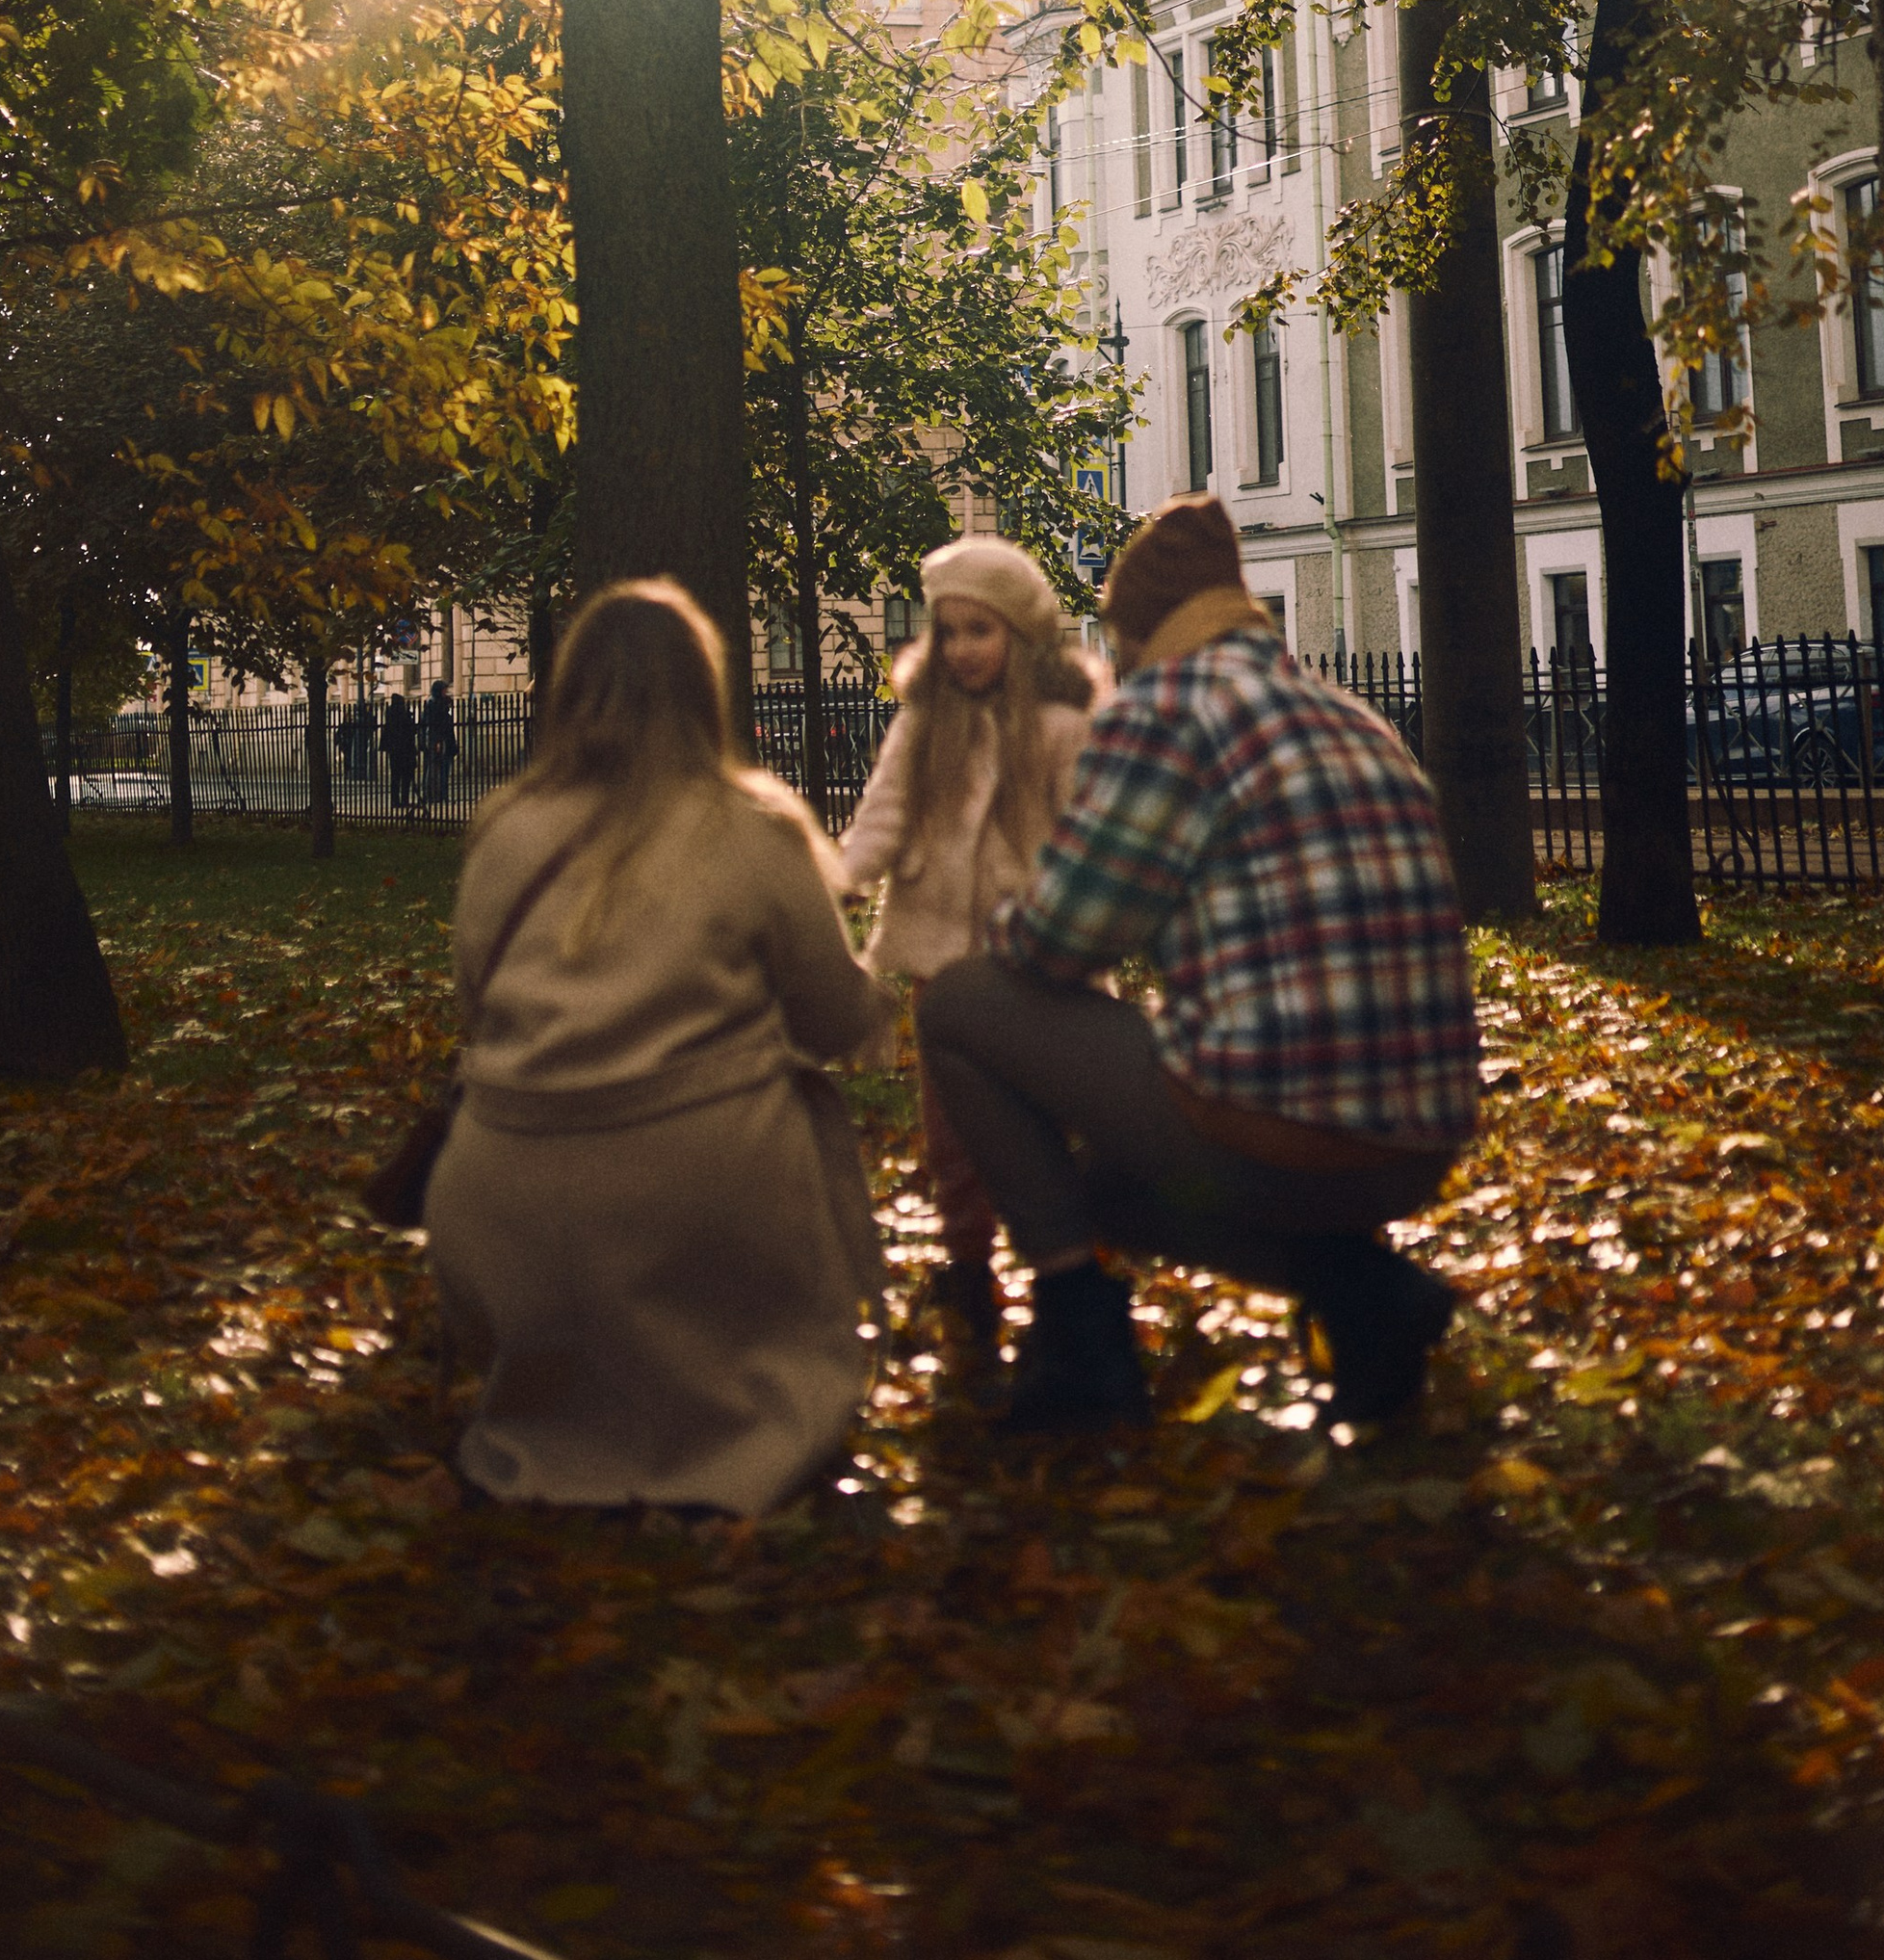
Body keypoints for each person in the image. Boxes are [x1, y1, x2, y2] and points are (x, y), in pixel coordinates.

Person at [917, 494, 1478, 1433]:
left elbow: (1057, 939)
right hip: (1423, 1139)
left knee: (960, 1004)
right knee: (1111, 1189)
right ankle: (1365, 1295)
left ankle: (1082, 1344)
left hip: (1278, 1133)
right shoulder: (1349, 715)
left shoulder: (1162, 709)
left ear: (1139, 630)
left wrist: (1001, 921)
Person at [423, 576, 892, 1513]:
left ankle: (567, 1419)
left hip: (503, 1191)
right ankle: (737, 1428)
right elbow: (839, 1023)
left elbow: (478, 1005)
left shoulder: (505, 829)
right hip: (697, 1180)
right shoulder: (749, 830)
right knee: (796, 1126)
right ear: (704, 691)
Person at [838, 537, 1102, 1353]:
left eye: (978, 631)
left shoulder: (1062, 727)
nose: (960, 649)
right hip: (940, 961)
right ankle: (967, 1265)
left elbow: (1086, 839)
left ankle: (1064, 1270)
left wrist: (1073, 930)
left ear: (1021, 635)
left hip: (1033, 967)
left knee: (1036, 1120)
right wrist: (842, 881)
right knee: (950, 1129)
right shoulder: (924, 725)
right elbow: (882, 816)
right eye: (947, 632)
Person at [420, 676, 458, 813]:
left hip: (445, 740)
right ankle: (432, 795)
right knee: (434, 769)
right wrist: (436, 741)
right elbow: (432, 725)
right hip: (437, 741)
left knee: (444, 769)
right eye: (444, 690)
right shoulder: (432, 704)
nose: (446, 692)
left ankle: (442, 794)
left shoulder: (442, 703)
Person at [379, 691, 418, 813]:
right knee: (405, 776)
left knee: (395, 777)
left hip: (394, 752)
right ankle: (403, 799)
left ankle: (395, 800)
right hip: (405, 751)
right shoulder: (402, 715)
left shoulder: (390, 715)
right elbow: (411, 731)